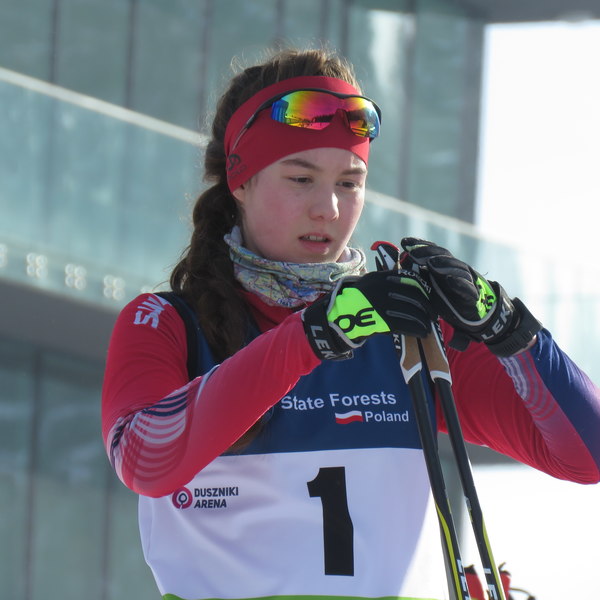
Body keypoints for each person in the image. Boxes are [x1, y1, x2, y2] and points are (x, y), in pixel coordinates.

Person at [101, 47, 600, 600]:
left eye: (349, 182)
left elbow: (587, 454)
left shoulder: (406, 336)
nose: (329, 209)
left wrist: (507, 327)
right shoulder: (166, 322)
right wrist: (315, 335)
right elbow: (144, 459)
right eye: (301, 178)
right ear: (240, 181)